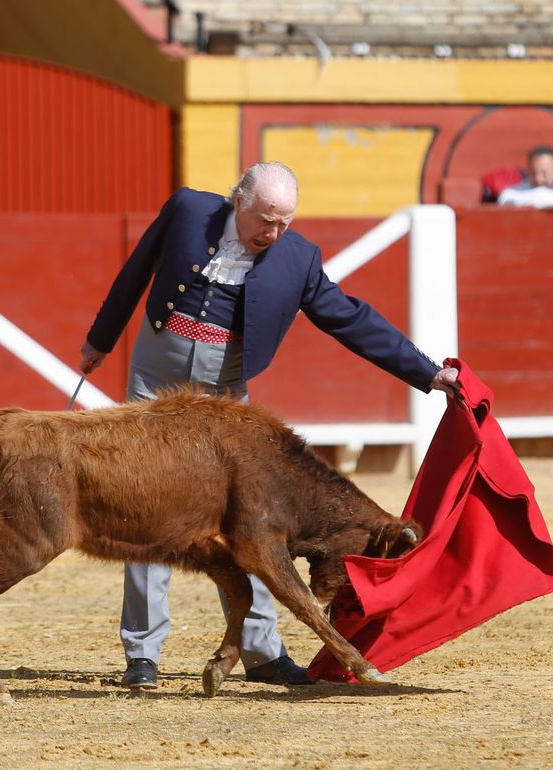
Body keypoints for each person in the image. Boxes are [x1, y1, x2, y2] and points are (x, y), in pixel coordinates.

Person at [79, 161, 460, 693]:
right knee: (149, 511)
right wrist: (100, 341)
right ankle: (142, 653)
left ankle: (261, 651)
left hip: (227, 398)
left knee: (254, 523)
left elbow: (349, 317)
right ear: (238, 201)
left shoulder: (297, 258)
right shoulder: (189, 209)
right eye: (265, 220)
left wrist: (426, 371)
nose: (273, 234)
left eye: (284, 223)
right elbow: (136, 270)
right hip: (154, 382)